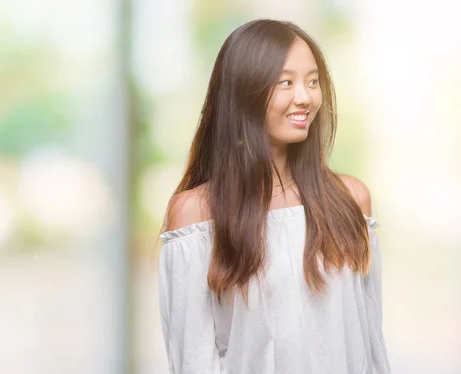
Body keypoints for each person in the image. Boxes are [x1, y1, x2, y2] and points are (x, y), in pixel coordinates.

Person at [157, 19, 391, 374]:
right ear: (244, 91)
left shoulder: (351, 200)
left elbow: (371, 343)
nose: (305, 97)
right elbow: (193, 359)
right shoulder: (196, 215)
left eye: (313, 81)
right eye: (286, 82)